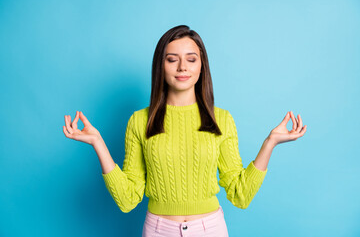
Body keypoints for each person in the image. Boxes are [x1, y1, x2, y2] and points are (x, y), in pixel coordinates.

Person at [63, 25, 307, 237]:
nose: (182, 67)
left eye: (191, 59)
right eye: (172, 59)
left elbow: (240, 194)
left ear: (202, 66)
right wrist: (98, 143)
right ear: (161, 65)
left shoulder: (221, 119)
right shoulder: (139, 121)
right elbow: (127, 199)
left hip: (210, 229)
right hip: (158, 229)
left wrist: (270, 142)